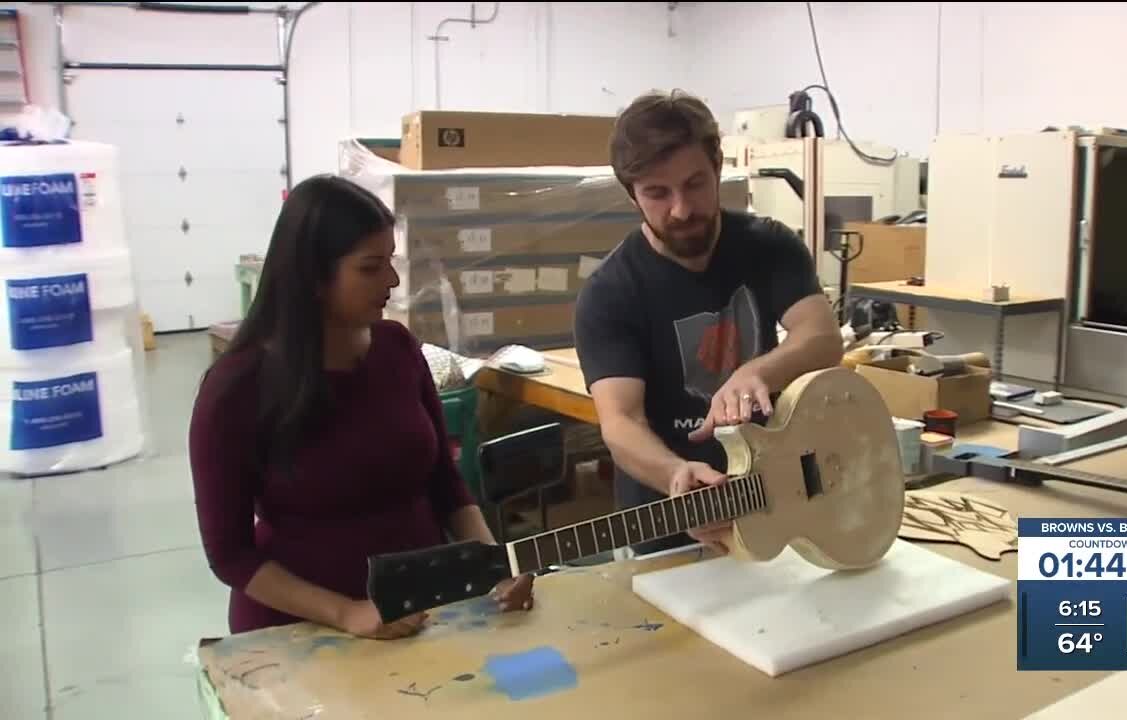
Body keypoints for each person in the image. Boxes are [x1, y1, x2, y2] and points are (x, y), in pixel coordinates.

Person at [189, 175, 533, 639]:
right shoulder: (236, 389)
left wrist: (494, 564)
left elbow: (445, 485)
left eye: (391, 261)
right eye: (371, 267)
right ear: (313, 276)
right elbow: (231, 555)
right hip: (301, 628)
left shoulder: (397, 348)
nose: (392, 281)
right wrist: (346, 612)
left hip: (425, 609)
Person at [573, 90, 844, 557]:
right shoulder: (609, 293)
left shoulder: (768, 246)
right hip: (669, 523)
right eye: (657, 193)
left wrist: (758, 371)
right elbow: (620, 422)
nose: (681, 209)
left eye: (695, 184)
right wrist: (675, 475)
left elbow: (822, 339)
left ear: (718, 166)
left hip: (781, 496)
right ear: (631, 194)